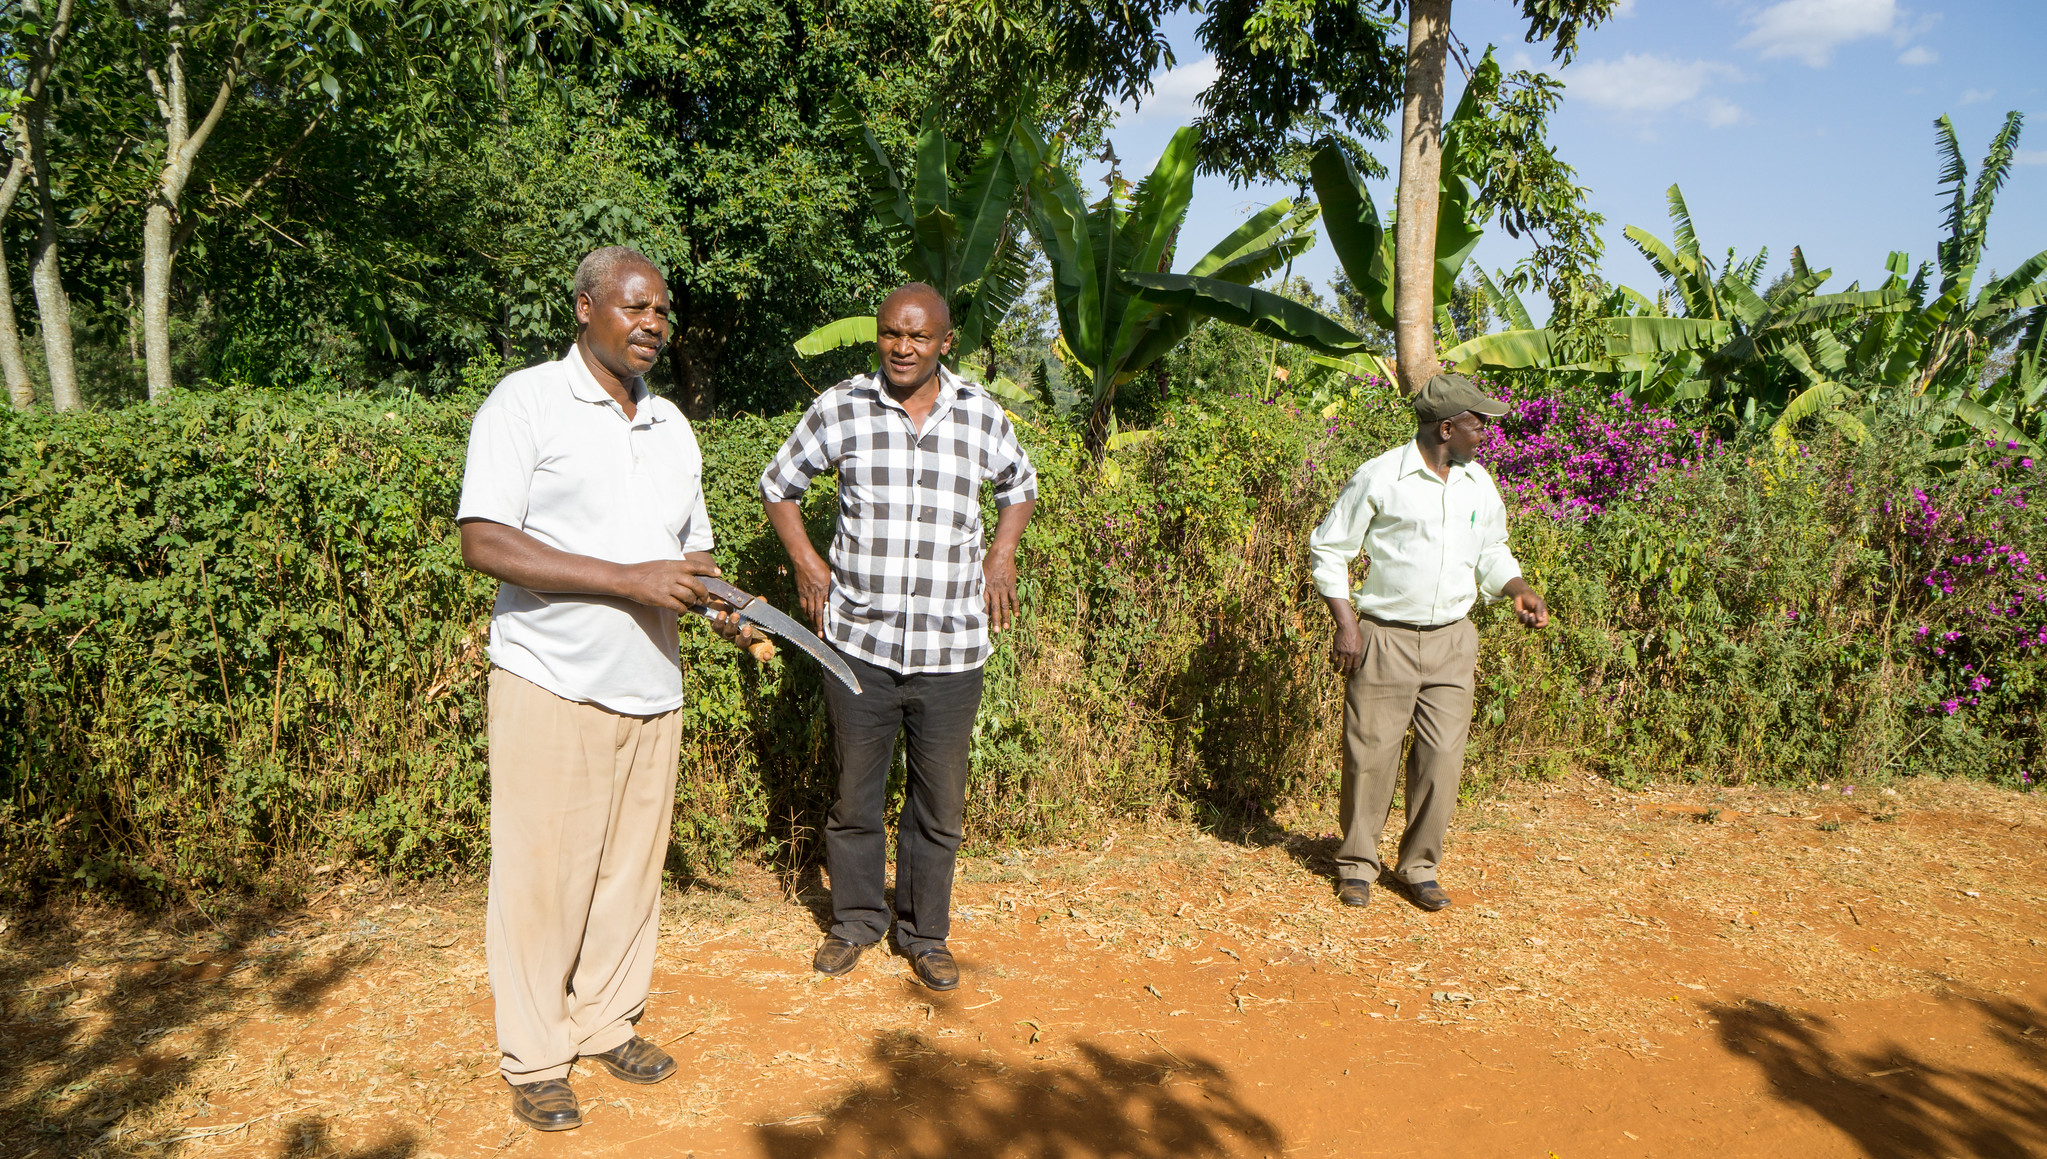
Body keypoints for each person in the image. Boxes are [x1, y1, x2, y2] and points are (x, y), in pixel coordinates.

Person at [455, 246, 755, 1131]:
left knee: (628, 874)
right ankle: (538, 1055)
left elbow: (689, 558)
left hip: (650, 684)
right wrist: (629, 580)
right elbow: (485, 541)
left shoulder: (672, 428)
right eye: (634, 307)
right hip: (550, 678)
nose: (652, 323)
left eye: (661, 309)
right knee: (541, 878)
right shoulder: (526, 402)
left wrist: (730, 604)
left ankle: (604, 1021)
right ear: (585, 308)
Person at [759, 282, 1038, 991]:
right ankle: (854, 921)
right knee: (855, 796)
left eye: (918, 336)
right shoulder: (841, 407)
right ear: (878, 336)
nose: (901, 347)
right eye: (890, 333)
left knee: (938, 804)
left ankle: (923, 932)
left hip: (951, 649)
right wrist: (806, 563)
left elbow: (1019, 484)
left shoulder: (978, 414)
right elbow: (778, 485)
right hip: (858, 645)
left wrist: (1001, 553)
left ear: (945, 342)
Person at [1308, 373, 1549, 913]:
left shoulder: (1477, 484)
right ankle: (1356, 866)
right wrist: (1346, 623)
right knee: (1370, 758)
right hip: (1385, 639)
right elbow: (1329, 548)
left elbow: (1492, 551)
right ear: (1446, 427)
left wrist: (1518, 589)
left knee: (1441, 760)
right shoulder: (1381, 476)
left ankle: (1419, 867)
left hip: (1453, 643)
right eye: (1477, 422)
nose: (1485, 431)